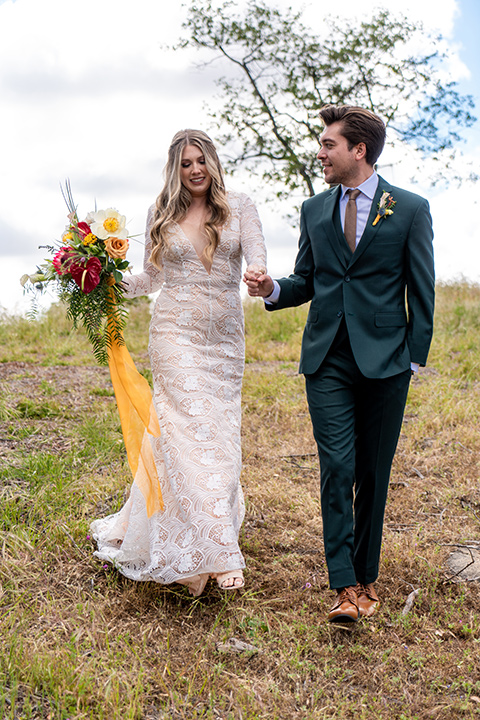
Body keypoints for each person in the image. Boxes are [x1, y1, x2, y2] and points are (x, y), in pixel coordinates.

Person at [245, 105, 434, 622]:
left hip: (386, 363)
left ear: (359, 150)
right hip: (326, 358)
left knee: (373, 472)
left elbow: (422, 290)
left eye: (329, 144)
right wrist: (273, 288)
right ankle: (345, 586)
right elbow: (308, 278)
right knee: (338, 467)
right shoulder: (313, 209)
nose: (320, 152)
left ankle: (368, 576)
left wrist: (412, 362)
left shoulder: (411, 209)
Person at [91, 129, 267, 595]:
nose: (195, 170)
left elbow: (258, 257)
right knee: (184, 430)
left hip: (225, 339)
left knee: (221, 433)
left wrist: (259, 275)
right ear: (175, 168)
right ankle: (221, 551)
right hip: (174, 333)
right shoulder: (160, 212)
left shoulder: (241, 205)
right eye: (186, 162)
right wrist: (101, 281)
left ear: (213, 162)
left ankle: (193, 527)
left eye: (202, 160)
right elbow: (151, 277)